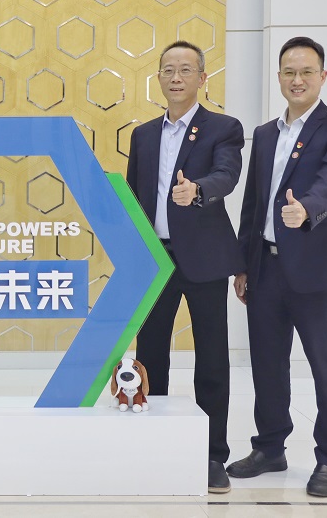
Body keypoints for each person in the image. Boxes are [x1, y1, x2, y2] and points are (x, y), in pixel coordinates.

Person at [227, 36, 327, 498]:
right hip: (265, 268)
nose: (297, 80)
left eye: (306, 72)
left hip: (317, 269)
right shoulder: (266, 134)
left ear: (322, 76)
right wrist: (243, 264)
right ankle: (270, 448)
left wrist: (306, 208)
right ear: (279, 77)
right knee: (267, 364)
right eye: (289, 72)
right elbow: (253, 203)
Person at [126, 40, 244, 494]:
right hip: (156, 259)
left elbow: (226, 175)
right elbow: (136, 195)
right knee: (150, 354)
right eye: (168, 70)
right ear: (159, 77)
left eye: (185, 70)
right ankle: (153, 442)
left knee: (211, 358)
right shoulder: (143, 135)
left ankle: (212, 454)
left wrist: (197, 190)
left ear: (202, 78)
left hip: (205, 258)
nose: (176, 77)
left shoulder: (223, 128)